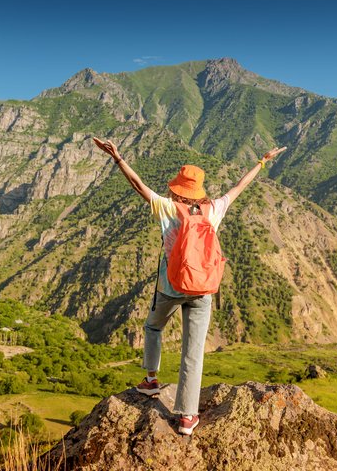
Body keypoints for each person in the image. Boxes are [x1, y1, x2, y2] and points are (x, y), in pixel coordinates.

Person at [93, 137, 287, 436]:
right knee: (193, 351)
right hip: (203, 290)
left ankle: (150, 380)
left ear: (177, 188)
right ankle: (187, 417)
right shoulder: (214, 210)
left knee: (153, 327)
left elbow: (138, 185)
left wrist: (117, 157)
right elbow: (239, 186)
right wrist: (262, 161)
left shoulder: (167, 208)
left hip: (169, 288)